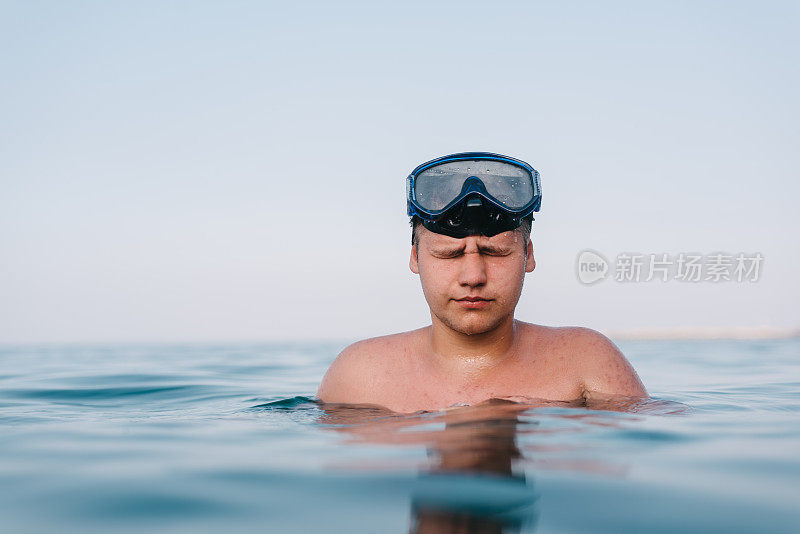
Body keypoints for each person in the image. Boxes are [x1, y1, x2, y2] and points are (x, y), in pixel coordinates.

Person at [317, 152, 646, 413]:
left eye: (496, 252)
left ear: (528, 255)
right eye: (449, 254)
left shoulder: (586, 360)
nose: (473, 277)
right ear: (416, 258)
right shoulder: (358, 376)